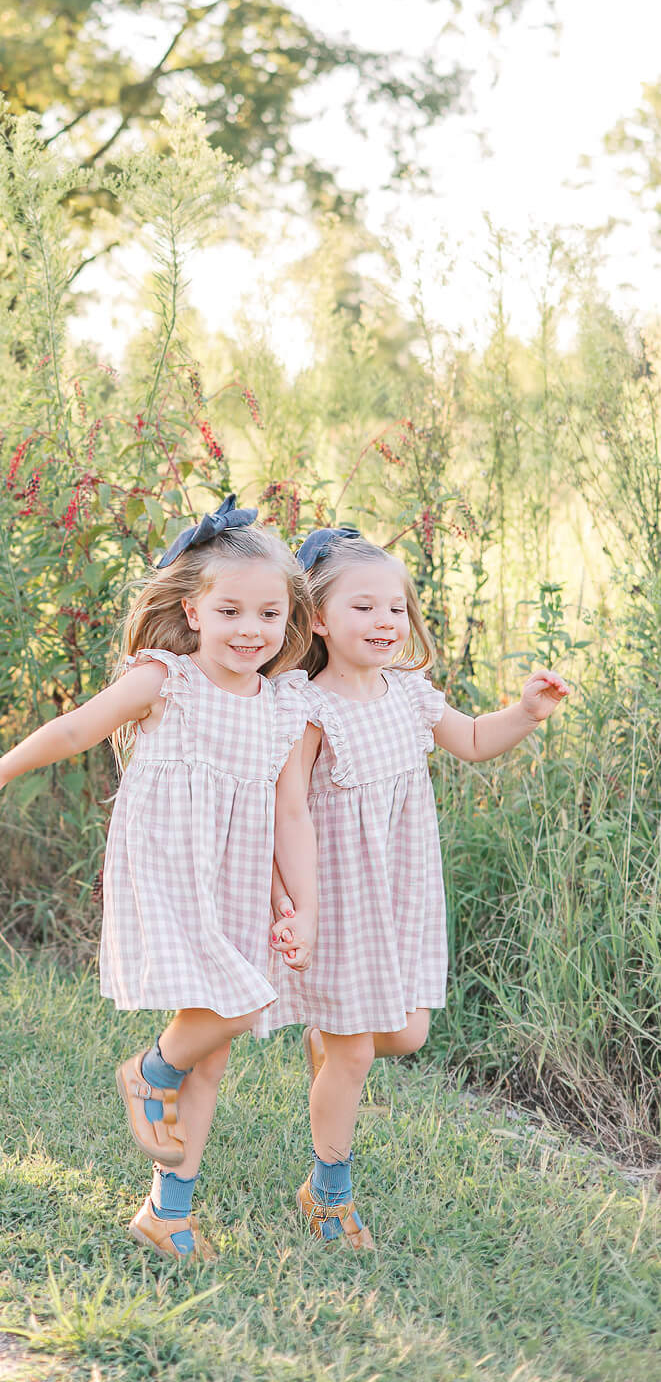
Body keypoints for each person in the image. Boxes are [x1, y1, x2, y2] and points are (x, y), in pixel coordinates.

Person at [0, 497, 314, 1263]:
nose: (250, 630)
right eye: (229, 610)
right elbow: (77, 727)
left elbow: (289, 815)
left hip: (239, 878)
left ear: (291, 619)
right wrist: (5, 764)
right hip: (169, 863)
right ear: (191, 610)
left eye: (268, 614)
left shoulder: (283, 705)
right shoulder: (167, 679)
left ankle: (168, 1213)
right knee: (242, 1001)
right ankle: (146, 1070)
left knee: (214, 1051)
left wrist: (299, 905)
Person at [267, 526, 571, 1251]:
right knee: (356, 1052)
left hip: (397, 892)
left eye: (396, 609)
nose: (384, 623)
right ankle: (328, 1195)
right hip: (335, 895)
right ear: (316, 619)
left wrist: (524, 713)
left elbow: (469, 739)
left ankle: (325, 1036)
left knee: (405, 1032)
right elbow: (288, 809)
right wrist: (297, 904)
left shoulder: (408, 693)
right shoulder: (306, 706)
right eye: (363, 608)